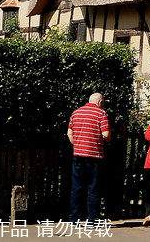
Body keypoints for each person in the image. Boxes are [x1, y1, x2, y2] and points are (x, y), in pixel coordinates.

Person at [67, 92, 111, 223]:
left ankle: (74, 218)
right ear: (100, 102)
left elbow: (69, 133)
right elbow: (106, 135)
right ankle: (92, 219)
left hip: (78, 154)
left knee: (77, 187)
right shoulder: (101, 114)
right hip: (94, 155)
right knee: (93, 188)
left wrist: (78, 144)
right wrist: (106, 139)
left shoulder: (76, 113)